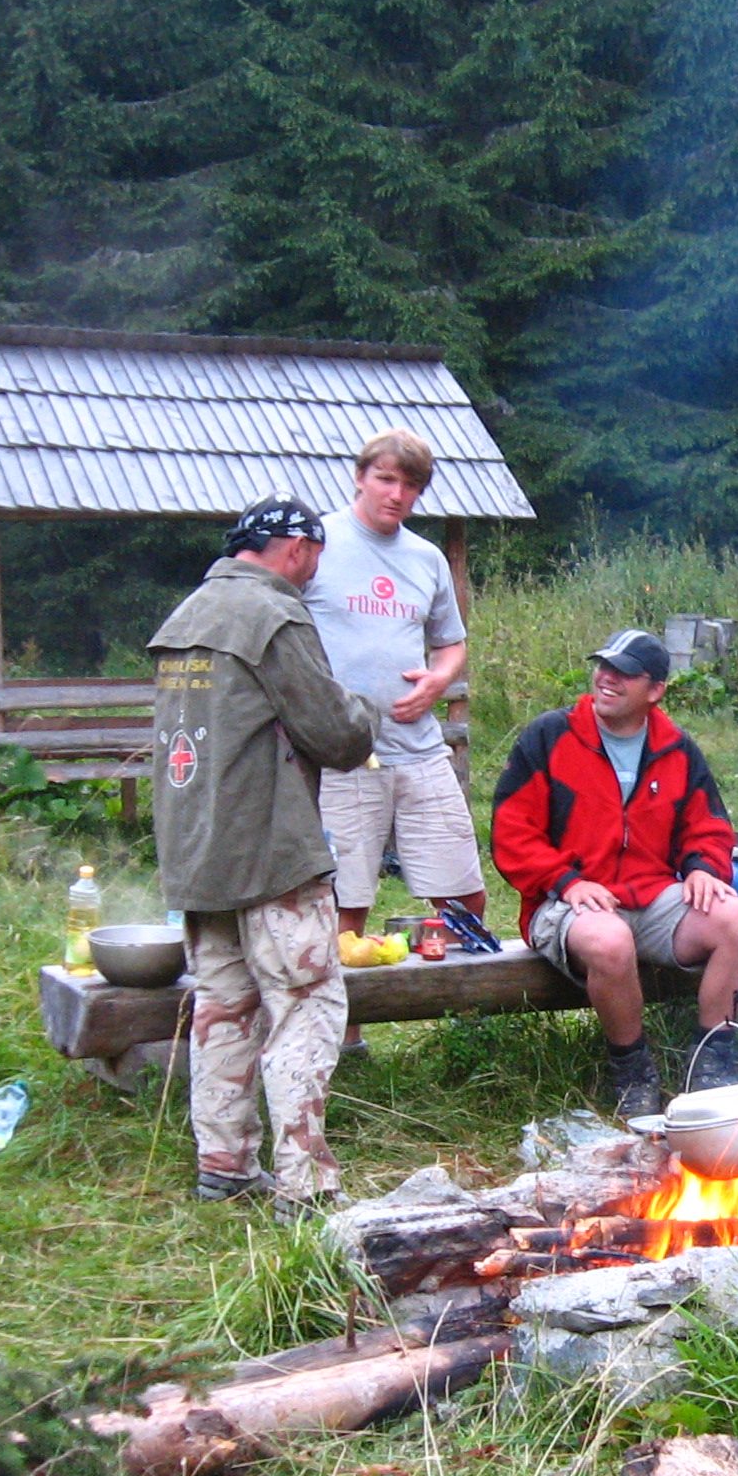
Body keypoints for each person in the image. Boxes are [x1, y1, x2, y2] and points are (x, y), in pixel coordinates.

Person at [150, 496, 379, 1214]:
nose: (313, 573)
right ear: (297, 549)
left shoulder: (187, 617)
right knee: (307, 1005)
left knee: (223, 1007)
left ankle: (223, 1165)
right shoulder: (273, 615)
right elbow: (336, 734)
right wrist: (366, 712)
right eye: (315, 558)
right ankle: (305, 1185)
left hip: (197, 851)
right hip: (270, 849)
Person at [491, 629, 738, 1119]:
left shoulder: (676, 748)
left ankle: (711, 1061)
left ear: (655, 690)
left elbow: (708, 825)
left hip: (652, 896)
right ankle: (632, 1069)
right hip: (562, 899)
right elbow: (512, 832)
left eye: (623, 673)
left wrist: (703, 867)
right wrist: (568, 881)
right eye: (603, 666)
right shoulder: (550, 736)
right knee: (610, 941)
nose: (606, 678)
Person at [304, 427, 488, 1057]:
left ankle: (470, 1021)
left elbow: (451, 642)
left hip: (418, 744)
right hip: (341, 752)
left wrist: (438, 680)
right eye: (385, 479)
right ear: (360, 477)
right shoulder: (317, 544)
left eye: (410, 485)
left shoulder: (426, 558)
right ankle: (344, 1035)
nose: (396, 494)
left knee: (463, 887)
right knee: (345, 895)